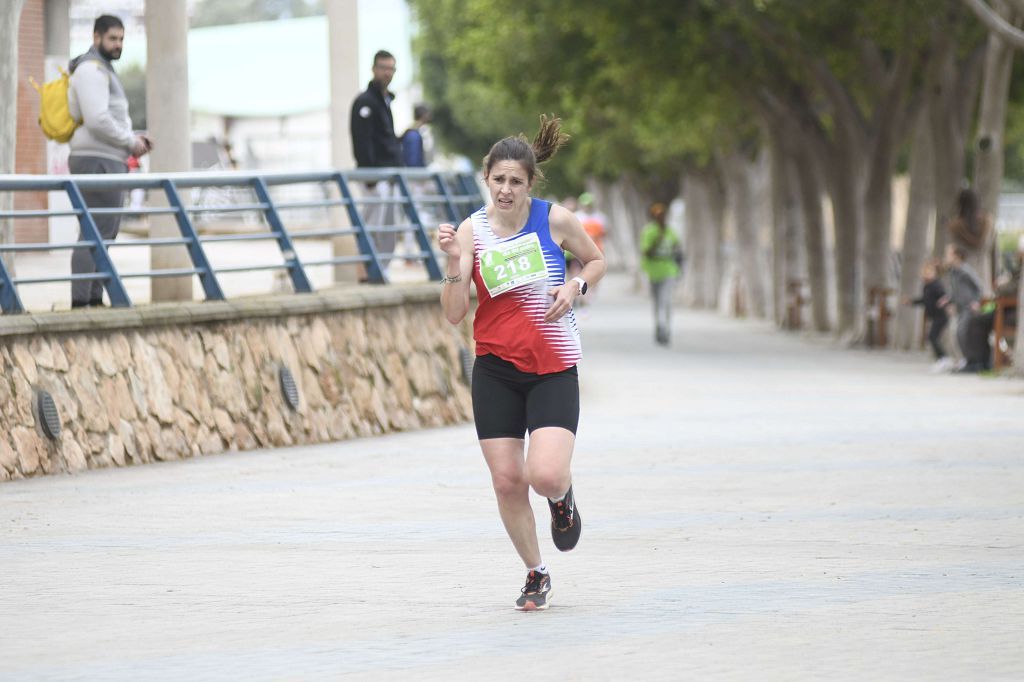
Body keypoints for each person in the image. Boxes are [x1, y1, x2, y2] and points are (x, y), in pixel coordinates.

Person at [437, 116, 605, 611]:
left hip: (553, 366)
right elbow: (453, 315)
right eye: (498, 180)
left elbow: (595, 260)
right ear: (485, 179)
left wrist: (575, 286)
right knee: (508, 479)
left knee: (545, 475)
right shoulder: (471, 231)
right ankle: (536, 572)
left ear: (531, 183)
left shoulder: (554, 220)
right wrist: (452, 263)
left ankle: (562, 498)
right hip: (495, 370)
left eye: (516, 181)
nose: (506, 190)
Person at [67, 14, 151, 308]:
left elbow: (107, 118)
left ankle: (92, 298)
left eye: (121, 39)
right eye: (112, 38)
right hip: (96, 159)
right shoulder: (91, 70)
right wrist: (130, 142)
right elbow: (97, 119)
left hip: (107, 158)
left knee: (103, 231)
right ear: (96, 37)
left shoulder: (103, 70)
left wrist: (131, 138)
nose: (118, 44)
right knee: (95, 231)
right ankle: (82, 303)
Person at [350, 50, 403, 272]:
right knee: (374, 222)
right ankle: (370, 268)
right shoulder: (365, 101)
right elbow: (362, 141)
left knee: (390, 224)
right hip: (375, 175)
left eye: (391, 68)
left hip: (390, 174)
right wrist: (370, 175)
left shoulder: (385, 100)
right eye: (383, 67)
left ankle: (383, 267)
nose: (387, 72)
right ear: (374, 69)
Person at [640, 202, 682, 346]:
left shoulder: (671, 230)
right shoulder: (649, 231)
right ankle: (659, 326)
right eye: (658, 215)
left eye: (662, 215)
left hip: (669, 271)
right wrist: (657, 241)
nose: (661, 218)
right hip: (653, 271)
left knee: (666, 301)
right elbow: (646, 252)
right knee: (657, 302)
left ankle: (665, 329)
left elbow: (677, 246)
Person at [399, 104, 435, 262]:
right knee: (413, 216)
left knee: (412, 216)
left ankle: (411, 254)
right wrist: (421, 177)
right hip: (413, 181)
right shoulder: (414, 135)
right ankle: (410, 254)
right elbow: (414, 161)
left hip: (410, 180)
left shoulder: (411, 132)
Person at [941, 243, 985, 372]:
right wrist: (948, 301)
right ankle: (966, 360)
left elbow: (979, 286)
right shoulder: (953, 272)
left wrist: (976, 301)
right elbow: (954, 291)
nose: (946, 257)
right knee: (957, 334)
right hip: (959, 307)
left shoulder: (965, 270)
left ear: (956, 256)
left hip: (969, 306)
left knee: (963, 332)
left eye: (949, 254)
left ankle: (971, 361)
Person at [903, 260, 952, 372]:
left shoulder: (936, 285)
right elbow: (924, 300)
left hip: (941, 316)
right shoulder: (927, 286)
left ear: (935, 273)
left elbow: (944, 296)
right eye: (925, 271)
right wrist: (910, 302)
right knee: (932, 337)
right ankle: (942, 359)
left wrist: (945, 302)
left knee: (932, 337)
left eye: (929, 271)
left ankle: (944, 359)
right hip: (934, 316)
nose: (926, 273)